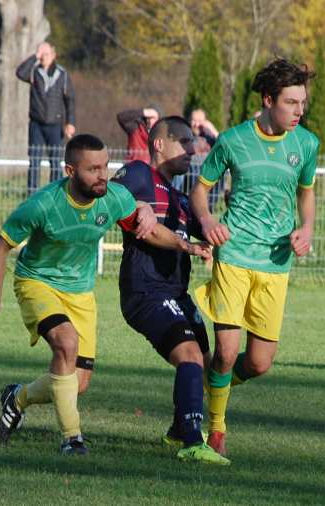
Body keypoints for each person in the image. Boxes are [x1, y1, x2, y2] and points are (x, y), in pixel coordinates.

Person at [0, 134, 206, 455]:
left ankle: (18, 398)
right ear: (70, 171)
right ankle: (73, 440)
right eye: (93, 169)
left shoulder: (112, 197)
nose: (103, 175)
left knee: (77, 384)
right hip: (38, 283)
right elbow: (1, 246)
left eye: (106, 166)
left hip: (81, 292)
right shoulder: (42, 205)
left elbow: (149, 229)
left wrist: (186, 245)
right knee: (66, 343)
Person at [189, 58, 318, 456]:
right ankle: (216, 429)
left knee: (259, 363)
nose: (299, 111)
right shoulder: (232, 140)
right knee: (226, 351)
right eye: (291, 103)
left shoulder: (306, 145)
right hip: (235, 253)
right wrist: (208, 218)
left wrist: (307, 227)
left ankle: (213, 386)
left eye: (302, 103)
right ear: (268, 99)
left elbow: (306, 192)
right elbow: (200, 189)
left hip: (276, 261)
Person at [111, 116, 229, 465]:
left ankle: (178, 429)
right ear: (159, 144)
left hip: (176, 294)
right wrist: (140, 206)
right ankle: (192, 442)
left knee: (205, 365)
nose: (191, 150)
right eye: (183, 142)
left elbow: (206, 232)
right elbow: (112, 195)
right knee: (189, 357)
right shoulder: (137, 174)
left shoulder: (179, 197)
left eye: (193, 143)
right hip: (144, 291)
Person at [16, 42, 76, 195]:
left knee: (55, 162)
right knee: (34, 161)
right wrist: (35, 56)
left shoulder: (62, 74)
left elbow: (70, 99)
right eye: (41, 55)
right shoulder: (34, 72)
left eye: (46, 54)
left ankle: (55, 194)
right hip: (36, 124)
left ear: (54, 55)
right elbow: (20, 73)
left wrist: (70, 122)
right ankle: (32, 194)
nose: (44, 57)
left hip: (55, 125)